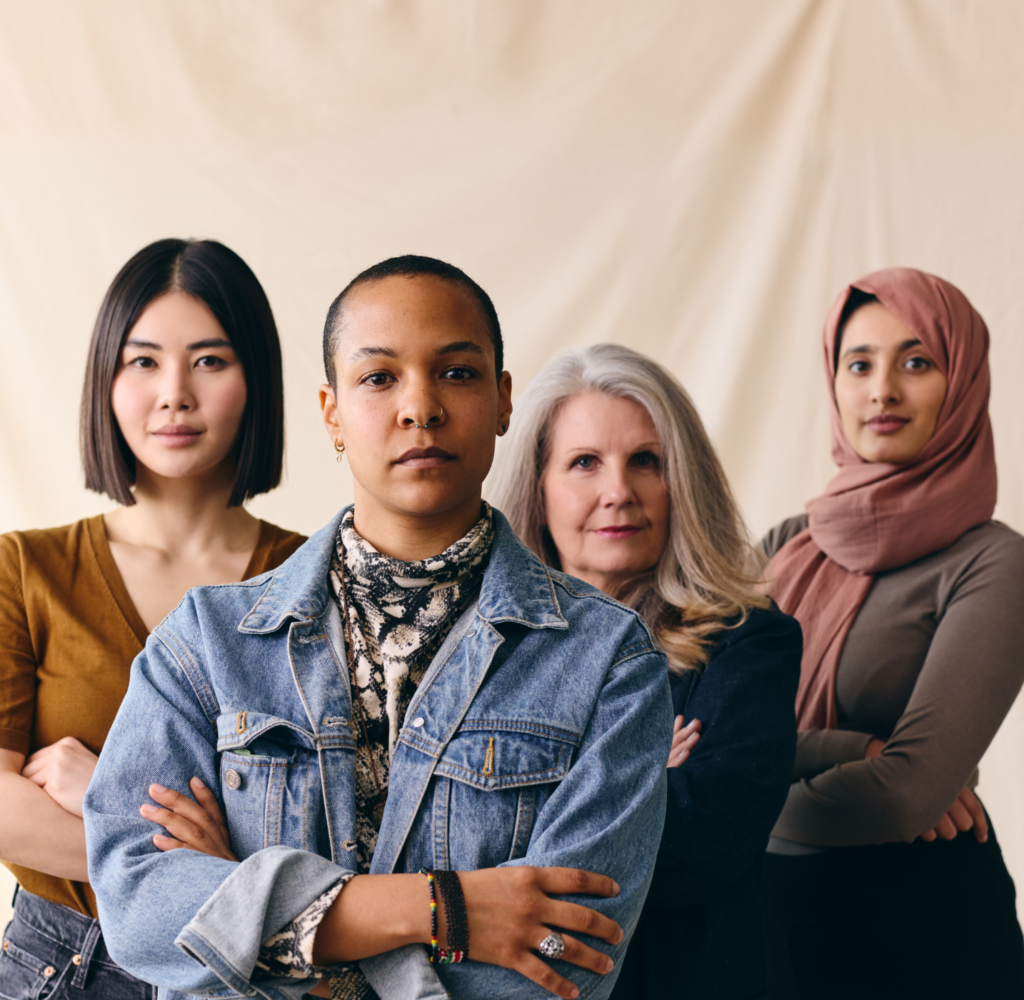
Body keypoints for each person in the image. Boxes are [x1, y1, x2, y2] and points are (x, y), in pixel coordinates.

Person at [84, 256, 673, 1000]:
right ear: (331, 411)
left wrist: (249, 907)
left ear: (502, 401)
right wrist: (444, 910)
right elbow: (138, 908)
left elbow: (557, 966)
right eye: (379, 377)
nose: (419, 407)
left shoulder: (609, 662)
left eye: (456, 374)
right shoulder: (207, 642)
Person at [0, 238, 305, 999]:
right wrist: (207, 870)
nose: (174, 393)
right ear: (105, 380)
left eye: (209, 360)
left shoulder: (313, 582)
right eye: (142, 361)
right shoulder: (25, 570)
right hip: (60, 964)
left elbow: (334, 827)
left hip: (249, 975)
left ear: (256, 380)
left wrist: (106, 789)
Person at [487, 343, 801, 1000]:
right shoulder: (480, 648)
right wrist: (638, 777)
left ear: (681, 480)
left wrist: (519, 794)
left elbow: (699, 848)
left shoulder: (750, 644)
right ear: (538, 487)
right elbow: (436, 844)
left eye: (645, 462)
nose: (618, 492)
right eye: (584, 463)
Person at [759, 267, 1024, 999]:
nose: (882, 390)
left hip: (921, 929)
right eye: (859, 364)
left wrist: (733, 805)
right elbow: (686, 727)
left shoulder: (992, 561)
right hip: (764, 921)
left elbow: (902, 798)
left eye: (917, 362)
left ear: (962, 380)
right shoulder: (784, 545)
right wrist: (852, 751)